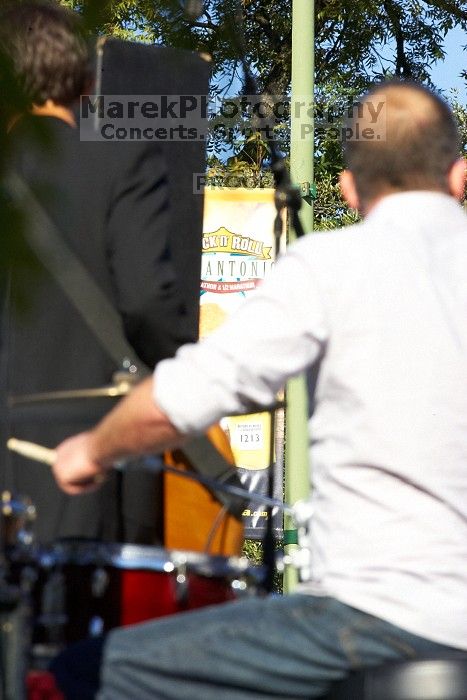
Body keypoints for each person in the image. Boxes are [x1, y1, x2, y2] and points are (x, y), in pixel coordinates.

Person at [52, 81, 467, 699]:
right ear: (459, 176)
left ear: (348, 189)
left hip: (374, 614)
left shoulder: (332, 265)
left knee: (82, 673)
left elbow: (187, 397)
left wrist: (91, 449)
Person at [0, 1, 194, 544]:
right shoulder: (121, 160)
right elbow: (148, 303)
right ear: (88, 83)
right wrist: (191, 377)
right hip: (82, 463)